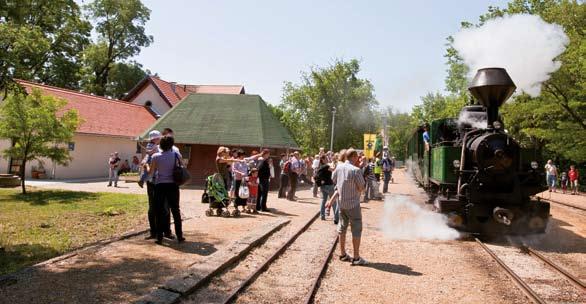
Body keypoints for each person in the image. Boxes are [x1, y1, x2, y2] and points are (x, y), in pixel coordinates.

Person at [327, 148, 367, 266]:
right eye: (357, 157)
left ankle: (343, 254)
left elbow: (334, 180)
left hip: (341, 204)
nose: (358, 160)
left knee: (342, 228)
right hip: (353, 204)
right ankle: (356, 257)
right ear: (354, 157)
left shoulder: (339, 167)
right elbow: (362, 187)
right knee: (356, 228)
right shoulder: (356, 170)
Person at [149, 135, 185, 244]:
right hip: (173, 185)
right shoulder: (175, 155)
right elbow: (183, 166)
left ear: (161, 145)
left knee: (160, 211)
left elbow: (151, 173)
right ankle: (180, 236)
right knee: (175, 210)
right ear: (171, 145)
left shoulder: (155, 156)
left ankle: (159, 237)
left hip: (160, 185)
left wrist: (145, 167)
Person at [316, 155, 335, 221]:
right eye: (326, 158)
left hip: (322, 185)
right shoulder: (326, 166)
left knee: (323, 200)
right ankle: (336, 217)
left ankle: (322, 216)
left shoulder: (320, 166)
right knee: (333, 201)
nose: (327, 159)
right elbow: (333, 169)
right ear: (323, 159)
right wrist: (333, 162)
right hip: (329, 185)